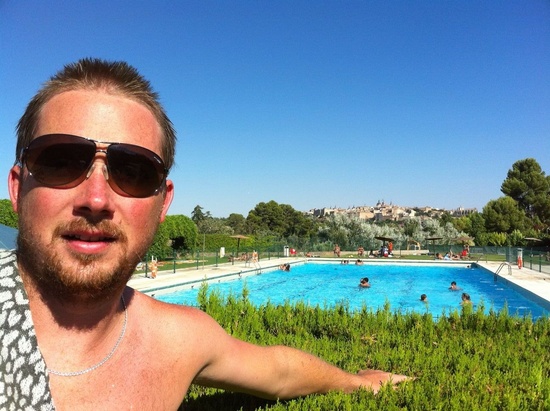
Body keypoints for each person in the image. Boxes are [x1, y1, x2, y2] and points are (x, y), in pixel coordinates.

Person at [2, 58, 408, 409]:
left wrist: (358, 382)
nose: (96, 199)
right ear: (18, 189)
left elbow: (279, 371)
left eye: (133, 171)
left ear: (163, 202)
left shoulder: (178, 340)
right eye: (60, 162)